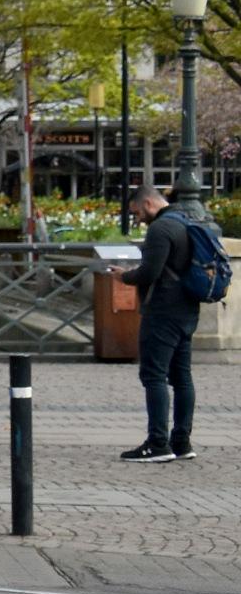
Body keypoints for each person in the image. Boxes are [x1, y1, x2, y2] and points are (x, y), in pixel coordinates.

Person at [122, 182, 206, 462]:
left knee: (154, 375)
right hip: (187, 309)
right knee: (182, 377)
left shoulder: (160, 229)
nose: (137, 218)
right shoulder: (186, 220)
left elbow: (150, 272)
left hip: (162, 312)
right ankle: (181, 441)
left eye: (136, 212)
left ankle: (158, 443)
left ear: (147, 203)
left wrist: (123, 276)